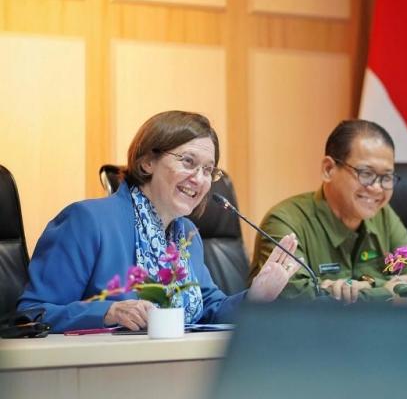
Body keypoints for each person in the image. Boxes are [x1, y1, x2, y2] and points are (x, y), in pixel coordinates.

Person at [18, 110, 301, 332]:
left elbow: (210, 310)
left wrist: (255, 296)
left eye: (208, 170)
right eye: (188, 162)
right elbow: (31, 314)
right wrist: (107, 313)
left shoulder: (186, 233)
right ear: (147, 163)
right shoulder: (87, 221)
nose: (200, 179)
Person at [249, 120, 407, 303]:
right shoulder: (285, 222)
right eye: (366, 173)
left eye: (387, 177)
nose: (377, 188)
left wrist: (367, 286)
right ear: (328, 169)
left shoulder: (383, 215)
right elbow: (292, 296)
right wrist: (387, 291)